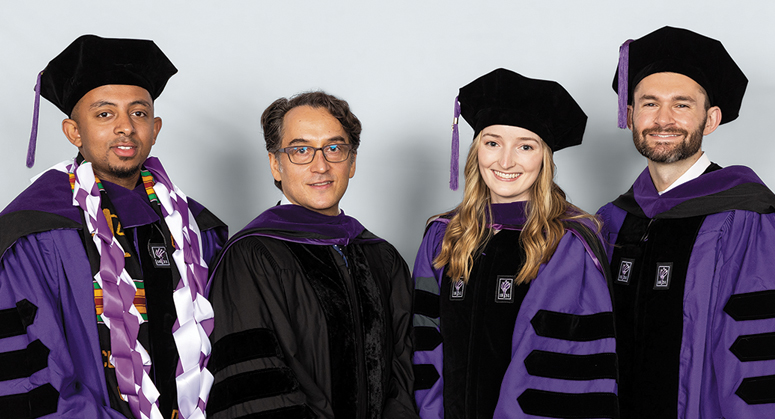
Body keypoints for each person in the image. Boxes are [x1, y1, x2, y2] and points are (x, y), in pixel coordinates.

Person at [0, 35, 227, 419]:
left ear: (155, 128)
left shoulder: (196, 228)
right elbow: (32, 371)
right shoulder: (34, 233)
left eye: (138, 113)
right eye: (104, 114)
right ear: (74, 132)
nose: (125, 127)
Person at [412, 68, 618, 419]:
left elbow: (558, 371)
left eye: (525, 146)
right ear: (477, 149)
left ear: (545, 158)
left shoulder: (566, 242)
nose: (505, 161)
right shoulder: (443, 235)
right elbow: (424, 343)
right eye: (493, 143)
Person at [598, 26, 775, 418]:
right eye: (649, 103)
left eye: (681, 105)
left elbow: (759, 356)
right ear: (630, 116)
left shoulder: (749, 219)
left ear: (710, 119)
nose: (663, 119)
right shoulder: (612, 220)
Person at [207, 91, 417, 419]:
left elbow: (403, 371)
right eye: (301, 150)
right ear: (276, 164)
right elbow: (255, 385)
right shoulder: (251, 256)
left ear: (352, 162)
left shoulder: (381, 258)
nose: (321, 165)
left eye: (334, 148)